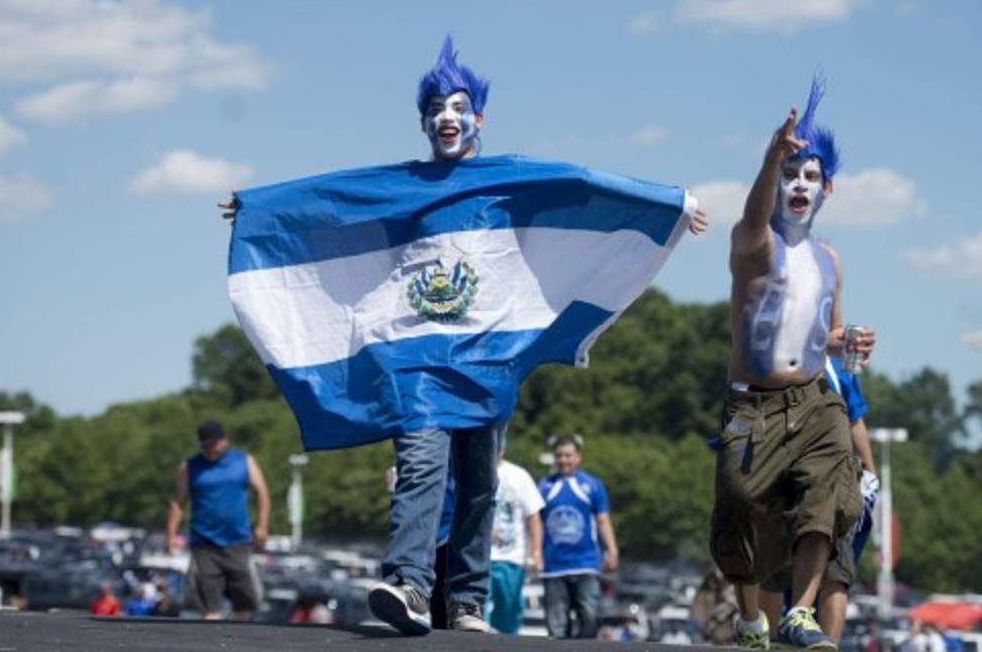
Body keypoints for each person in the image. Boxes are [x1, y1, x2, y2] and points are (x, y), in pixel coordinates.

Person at [220, 37, 706, 637]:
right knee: (421, 464)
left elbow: (580, 183)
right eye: (435, 110)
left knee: (479, 484)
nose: (446, 118)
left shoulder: (507, 178)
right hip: (417, 359)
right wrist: (260, 209)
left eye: (457, 107)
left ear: (480, 118)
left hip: (487, 358)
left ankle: (468, 601)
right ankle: (408, 582)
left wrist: (668, 203)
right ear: (423, 122)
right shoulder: (404, 184)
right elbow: (334, 196)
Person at [710, 77, 874, 651]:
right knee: (739, 510)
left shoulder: (830, 260)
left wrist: (850, 341)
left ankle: (799, 613)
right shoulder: (754, 243)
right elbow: (754, 217)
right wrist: (769, 159)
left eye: (809, 176)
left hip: (813, 400)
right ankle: (750, 617)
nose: (798, 184)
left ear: (827, 188)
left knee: (827, 495)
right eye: (789, 174)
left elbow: (827, 335)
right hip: (751, 403)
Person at [764, 355, 881, 642]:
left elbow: (855, 420)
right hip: (785, 475)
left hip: (832, 480)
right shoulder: (781, 357)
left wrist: (870, 473)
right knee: (774, 569)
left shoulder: (838, 368)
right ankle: (768, 641)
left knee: (835, 574)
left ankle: (824, 642)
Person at [165, 419, 271, 620]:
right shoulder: (190, 466)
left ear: (224, 441)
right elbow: (178, 502)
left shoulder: (244, 461)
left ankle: (238, 633)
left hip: (237, 541)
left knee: (246, 601)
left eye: (214, 444)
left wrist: (262, 526)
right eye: (205, 446)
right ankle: (212, 629)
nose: (210, 450)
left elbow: (262, 492)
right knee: (209, 604)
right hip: (204, 543)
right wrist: (170, 535)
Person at [539, 434, 617, 639]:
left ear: (578, 457)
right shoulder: (544, 487)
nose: (563, 460)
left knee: (590, 617)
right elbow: (536, 523)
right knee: (556, 627)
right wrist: (535, 553)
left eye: (568, 455)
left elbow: (603, 520)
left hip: (586, 564)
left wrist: (612, 549)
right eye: (559, 456)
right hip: (553, 568)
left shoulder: (592, 485)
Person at [486, 438, 544, 634]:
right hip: (480, 558)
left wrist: (536, 552)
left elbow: (533, 516)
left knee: (508, 613)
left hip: (511, 557)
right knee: (477, 610)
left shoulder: (519, 475)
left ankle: (506, 643)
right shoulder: (474, 470)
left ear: (503, 448)